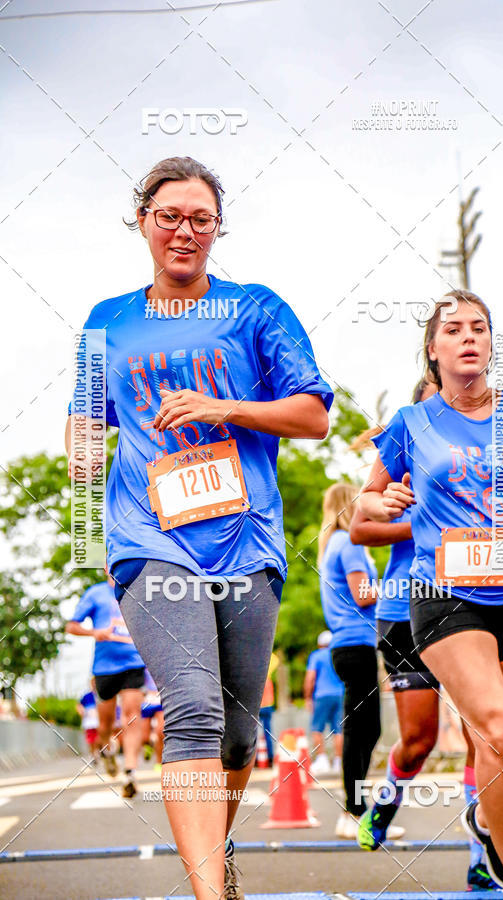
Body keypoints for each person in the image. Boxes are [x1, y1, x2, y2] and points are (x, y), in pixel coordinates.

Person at [65, 156, 332, 900]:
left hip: (247, 541)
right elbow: (86, 424)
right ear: (143, 220)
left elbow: (313, 414)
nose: (185, 230)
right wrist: (82, 456)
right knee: (190, 706)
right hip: (149, 539)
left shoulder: (256, 309)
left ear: (218, 227)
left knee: (241, 732)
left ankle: (218, 846)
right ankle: (208, 892)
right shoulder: (105, 322)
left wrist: (222, 408)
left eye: (201, 218)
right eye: (169, 215)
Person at [359, 290, 503, 900]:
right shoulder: (411, 424)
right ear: (433, 351)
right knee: (496, 729)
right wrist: (385, 501)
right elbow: (363, 509)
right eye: (453, 329)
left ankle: (483, 819)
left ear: (491, 345)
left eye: (479, 328)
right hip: (444, 592)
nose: (468, 337)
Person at [350, 380, 501, 891]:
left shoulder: (484, 460)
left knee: (482, 735)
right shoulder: (407, 455)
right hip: (403, 605)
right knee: (419, 742)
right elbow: (358, 529)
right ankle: (384, 804)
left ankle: (480, 856)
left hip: (474, 605)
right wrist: (426, 522)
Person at [318, 482, 405, 841]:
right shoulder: (351, 543)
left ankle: (355, 809)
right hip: (356, 643)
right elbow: (363, 594)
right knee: (361, 731)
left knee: (365, 730)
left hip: (346, 644)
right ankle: (353, 812)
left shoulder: (333, 545)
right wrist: (402, 586)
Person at [66, 574, 145, 797]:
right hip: (104, 667)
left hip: (134, 662)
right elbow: (71, 626)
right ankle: (108, 751)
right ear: (105, 566)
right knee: (106, 725)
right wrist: (95, 632)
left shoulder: (139, 588)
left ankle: (130, 772)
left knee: (131, 717)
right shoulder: (95, 593)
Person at [303, 630, 344, 776]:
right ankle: (338, 762)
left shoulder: (316, 656)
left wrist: (308, 697)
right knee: (339, 730)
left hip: (321, 696)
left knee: (317, 729)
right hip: (340, 695)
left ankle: (322, 760)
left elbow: (310, 678)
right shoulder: (338, 654)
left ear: (320, 644)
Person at [257, 653, 279, 768]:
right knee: (268, 732)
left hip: (256, 707)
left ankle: (254, 759)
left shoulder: (255, 677)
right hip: (268, 706)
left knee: (253, 733)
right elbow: (275, 658)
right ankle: (270, 758)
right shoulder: (268, 676)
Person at [141, 668, 164, 767]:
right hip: (146, 700)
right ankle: (148, 747)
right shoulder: (141, 663)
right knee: (144, 737)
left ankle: (159, 761)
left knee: (160, 732)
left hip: (160, 698)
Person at [77, 680, 100, 765]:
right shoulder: (87, 696)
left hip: (99, 721)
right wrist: (81, 711)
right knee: (91, 739)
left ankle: (97, 753)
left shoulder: (101, 695)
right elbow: (79, 705)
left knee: (99, 738)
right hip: (89, 722)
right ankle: (93, 755)